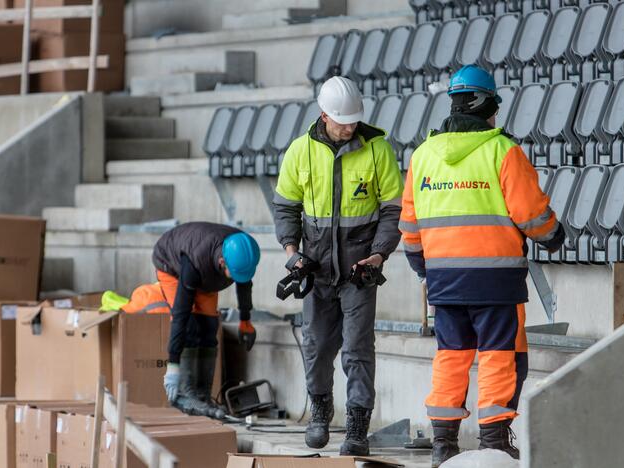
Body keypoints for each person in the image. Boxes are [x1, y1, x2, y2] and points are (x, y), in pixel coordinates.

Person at [399, 65, 565, 466]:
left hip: (443, 279)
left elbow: (409, 224)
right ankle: (493, 442)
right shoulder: (503, 150)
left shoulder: (423, 156)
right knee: (498, 355)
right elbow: (531, 215)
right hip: (496, 280)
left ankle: (443, 444)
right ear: (488, 104)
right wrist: (553, 234)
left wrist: (427, 267)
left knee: (451, 356)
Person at [273, 76, 403, 456]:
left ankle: (357, 427)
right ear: (323, 115)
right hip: (315, 270)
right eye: (342, 121)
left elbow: (393, 209)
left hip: (358, 271)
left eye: (353, 121)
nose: (348, 127)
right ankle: (320, 412)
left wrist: (378, 254)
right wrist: (291, 251)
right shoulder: (300, 151)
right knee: (316, 345)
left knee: (358, 348)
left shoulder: (377, 149)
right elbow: (285, 206)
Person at [156, 222, 261, 419]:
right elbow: (181, 315)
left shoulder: (242, 251)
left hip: (207, 276)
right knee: (190, 326)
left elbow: (244, 284)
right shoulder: (195, 262)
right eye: (235, 274)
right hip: (172, 266)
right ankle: (187, 395)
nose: (239, 278)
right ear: (222, 262)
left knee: (209, 326)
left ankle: (203, 397)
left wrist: (245, 321)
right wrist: (173, 365)